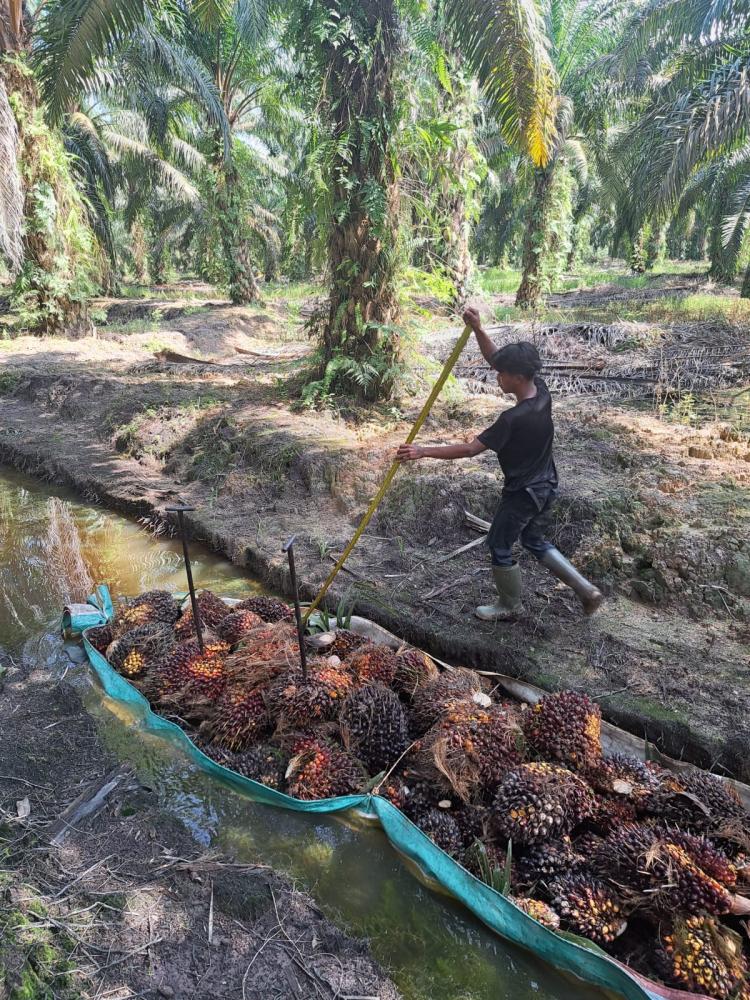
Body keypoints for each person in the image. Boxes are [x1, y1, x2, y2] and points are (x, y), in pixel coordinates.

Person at [396, 306, 603, 620]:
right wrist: (478, 329)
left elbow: (469, 450)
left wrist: (422, 451)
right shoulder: (541, 393)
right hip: (546, 485)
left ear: (518, 378)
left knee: (499, 545)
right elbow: (496, 358)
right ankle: (588, 591)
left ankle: (509, 606)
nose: (497, 375)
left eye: (502, 374)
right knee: (534, 539)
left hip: (523, 493)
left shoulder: (512, 419)